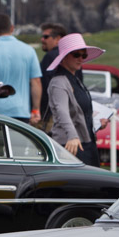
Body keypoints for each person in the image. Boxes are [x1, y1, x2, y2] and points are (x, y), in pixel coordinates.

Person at [47, 33, 106, 166]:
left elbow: (81, 113)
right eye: (76, 55)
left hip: (86, 143)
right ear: (64, 57)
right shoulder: (59, 82)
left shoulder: (75, 80)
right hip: (70, 145)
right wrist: (72, 136)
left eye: (83, 55)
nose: (80, 58)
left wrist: (96, 123)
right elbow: (62, 111)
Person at [0, 13, 42, 125]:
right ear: (12, 28)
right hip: (21, 111)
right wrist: (35, 109)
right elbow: (36, 81)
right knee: (18, 143)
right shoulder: (29, 50)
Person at [39, 23, 68, 124]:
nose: (42, 39)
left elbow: (45, 87)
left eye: (46, 37)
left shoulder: (50, 57)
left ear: (58, 39)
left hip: (52, 115)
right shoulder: (73, 58)